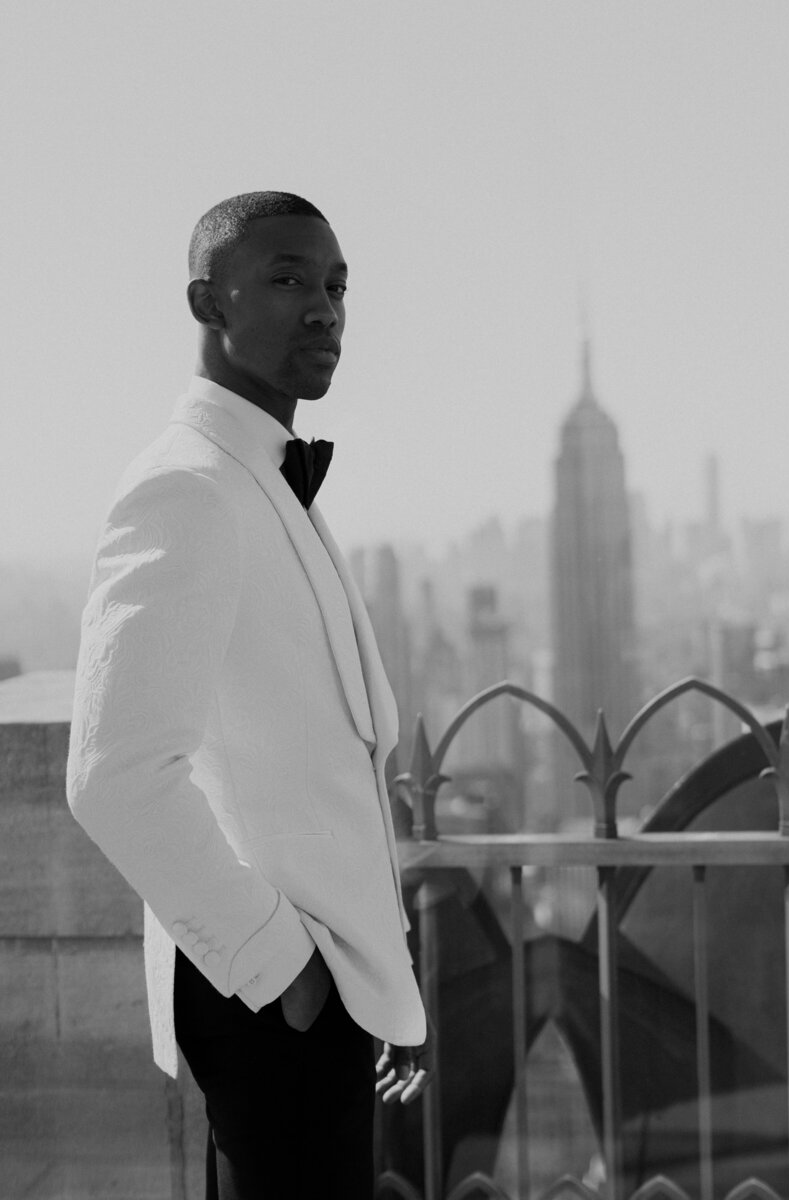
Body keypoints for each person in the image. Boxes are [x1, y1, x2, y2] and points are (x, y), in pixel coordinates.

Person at [66, 190, 432, 1199]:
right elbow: (115, 777)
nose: (323, 309)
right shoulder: (186, 487)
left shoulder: (263, 481)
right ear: (207, 303)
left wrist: (379, 996)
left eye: (335, 286)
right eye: (284, 279)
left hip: (319, 992)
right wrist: (292, 978)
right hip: (265, 989)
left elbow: (322, 773)